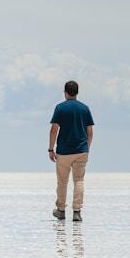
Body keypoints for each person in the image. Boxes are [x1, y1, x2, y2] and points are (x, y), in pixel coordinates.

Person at [48, 80, 94, 222]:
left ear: (65, 92)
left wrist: (50, 148)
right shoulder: (85, 108)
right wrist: (87, 147)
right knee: (79, 180)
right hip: (81, 150)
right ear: (77, 92)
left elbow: (54, 129)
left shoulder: (60, 108)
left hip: (63, 151)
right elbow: (90, 131)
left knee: (62, 181)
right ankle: (77, 211)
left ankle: (61, 210)